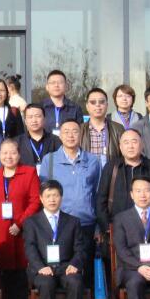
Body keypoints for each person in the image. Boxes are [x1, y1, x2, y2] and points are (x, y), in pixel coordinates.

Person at [36, 119, 102, 288]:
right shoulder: (50, 160)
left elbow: (97, 194)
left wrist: (98, 227)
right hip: (59, 225)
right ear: (60, 135)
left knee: (84, 270)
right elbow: (44, 193)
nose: (70, 136)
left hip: (86, 223)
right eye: (66, 132)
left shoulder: (93, 161)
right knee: (59, 270)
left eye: (75, 131)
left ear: (81, 135)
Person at [23, 179, 85, 299]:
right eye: (48, 196)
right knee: (46, 284)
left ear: (61, 198)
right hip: (43, 269)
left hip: (66, 267)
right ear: (41, 199)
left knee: (76, 282)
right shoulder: (31, 222)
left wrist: (75, 264)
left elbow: (80, 248)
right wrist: (39, 267)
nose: (52, 199)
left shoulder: (73, 221)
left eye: (55, 195)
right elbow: (30, 248)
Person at [0, 138, 41, 299]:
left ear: (19, 155)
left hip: (23, 231)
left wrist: (20, 223)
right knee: (6, 276)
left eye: (12, 152)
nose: (8, 156)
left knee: (21, 277)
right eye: (4, 153)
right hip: (2, 231)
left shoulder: (29, 172)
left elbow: (35, 202)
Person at [96, 128, 150, 238]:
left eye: (134, 142)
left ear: (142, 145)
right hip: (117, 231)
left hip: (149, 231)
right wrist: (108, 228)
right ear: (120, 147)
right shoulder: (111, 167)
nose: (130, 146)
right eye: (126, 142)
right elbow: (101, 201)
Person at [82, 87, 124, 164]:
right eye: (93, 102)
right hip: (86, 171)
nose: (97, 105)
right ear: (87, 106)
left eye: (101, 102)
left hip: (112, 171)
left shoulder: (118, 129)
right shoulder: (79, 130)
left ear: (107, 105)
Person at [40, 69, 84, 137]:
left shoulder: (75, 108)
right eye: (53, 83)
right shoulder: (40, 107)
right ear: (47, 87)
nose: (56, 85)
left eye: (60, 82)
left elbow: (80, 132)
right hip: (45, 143)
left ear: (66, 86)